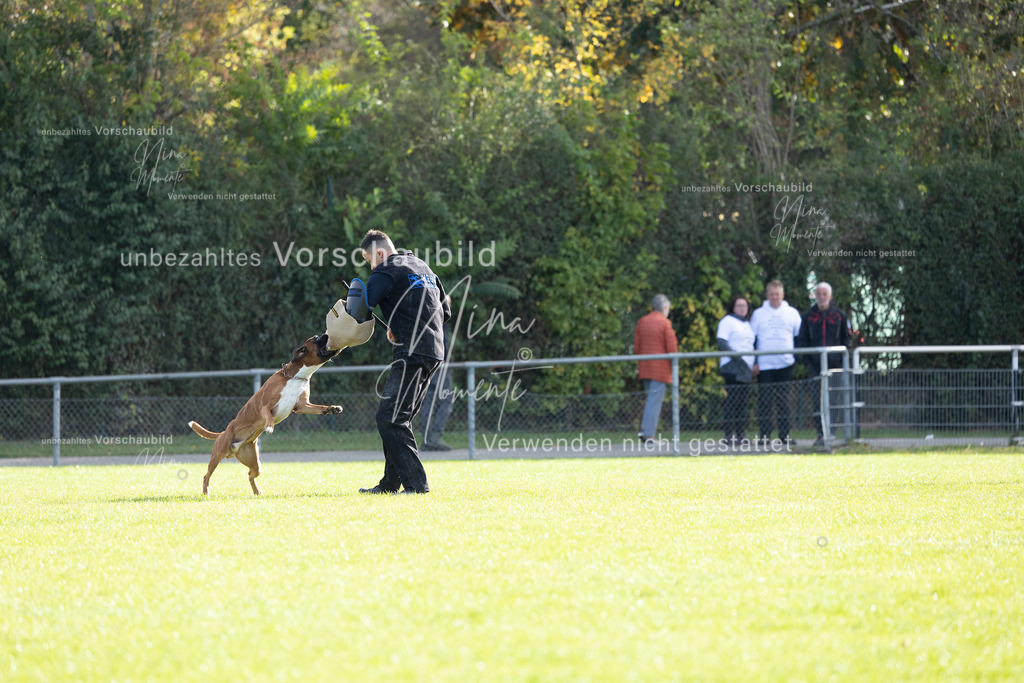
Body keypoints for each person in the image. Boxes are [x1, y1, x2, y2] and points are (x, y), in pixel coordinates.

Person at [356, 230, 451, 494]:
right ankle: (389, 485)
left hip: (411, 351)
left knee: (390, 418)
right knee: (399, 418)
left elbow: (362, 308)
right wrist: (401, 324)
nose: (371, 266)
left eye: (368, 260)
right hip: (434, 350)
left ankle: (417, 486)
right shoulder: (423, 267)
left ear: (379, 253)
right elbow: (445, 310)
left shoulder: (385, 269)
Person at [796, 282, 852, 446]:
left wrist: (841, 359)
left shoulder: (840, 316)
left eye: (824, 294)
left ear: (830, 296)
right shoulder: (808, 316)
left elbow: (847, 338)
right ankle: (821, 434)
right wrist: (808, 361)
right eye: (818, 294)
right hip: (815, 367)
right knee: (817, 401)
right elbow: (802, 340)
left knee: (834, 400)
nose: (821, 297)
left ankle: (832, 433)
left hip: (835, 366)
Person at [749, 280, 802, 444]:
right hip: (764, 365)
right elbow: (752, 339)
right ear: (767, 295)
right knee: (764, 402)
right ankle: (764, 437)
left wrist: (796, 358)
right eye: (771, 294)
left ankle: (784, 436)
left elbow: (798, 336)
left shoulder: (792, 313)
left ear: (783, 295)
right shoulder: (758, 314)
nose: (774, 297)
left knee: (784, 402)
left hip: (785, 363)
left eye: (777, 294)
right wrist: (755, 362)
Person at [634, 294, 678, 443]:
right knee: (654, 402)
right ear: (664, 308)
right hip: (660, 370)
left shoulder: (642, 322)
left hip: (644, 368)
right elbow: (672, 348)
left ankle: (645, 432)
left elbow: (637, 347)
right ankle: (648, 435)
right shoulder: (664, 323)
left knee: (650, 400)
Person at [716, 296, 756, 444]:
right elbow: (721, 342)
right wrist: (737, 358)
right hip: (733, 367)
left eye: (744, 306)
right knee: (732, 401)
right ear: (733, 307)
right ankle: (728, 435)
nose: (742, 308)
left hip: (746, 368)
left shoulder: (747, 324)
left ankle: (741, 435)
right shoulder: (727, 321)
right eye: (739, 306)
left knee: (742, 403)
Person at [420, 320, 454, 451]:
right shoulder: (440, 310)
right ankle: (434, 437)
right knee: (447, 399)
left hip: (427, 359)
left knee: (429, 400)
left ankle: (427, 439)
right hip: (440, 362)